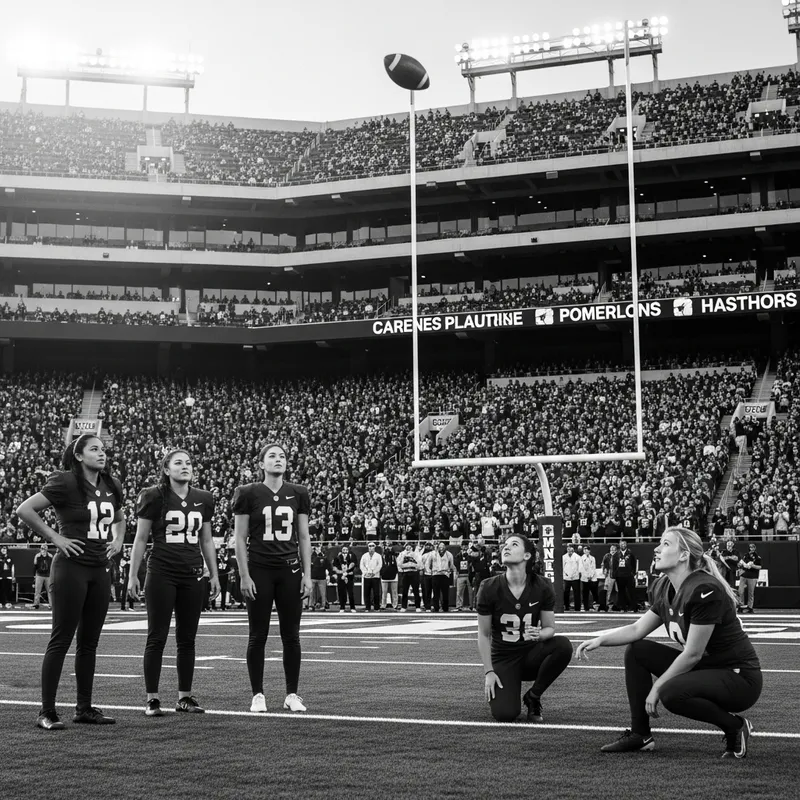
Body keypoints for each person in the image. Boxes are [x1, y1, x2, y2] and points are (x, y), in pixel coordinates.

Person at [576, 527, 762, 758]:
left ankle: (735, 726)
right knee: (637, 651)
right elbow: (637, 630)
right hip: (705, 667)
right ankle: (640, 734)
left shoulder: (704, 588)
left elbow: (693, 653)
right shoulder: (664, 585)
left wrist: (657, 686)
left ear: (684, 555)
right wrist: (600, 640)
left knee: (670, 692)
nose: (656, 548)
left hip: (737, 677)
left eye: (665, 544)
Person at [16, 434, 125, 730]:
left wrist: (118, 539)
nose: (102, 453)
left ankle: (84, 708)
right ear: (79, 456)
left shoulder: (112, 484)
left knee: (89, 642)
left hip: (99, 569)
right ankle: (47, 711)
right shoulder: (65, 481)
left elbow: (119, 517)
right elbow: (25, 510)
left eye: (103, 449)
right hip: (71, 567)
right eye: (94, 449)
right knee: (61, 638)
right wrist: (55, 537)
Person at [128, 449, 221, 717]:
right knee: (156, 637)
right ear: (166, 469)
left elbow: (206, 540)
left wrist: (213, 574)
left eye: (189, 462)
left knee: (187, 639)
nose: (185, 466)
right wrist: (134, 574)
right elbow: (141, 538)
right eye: (178, 462)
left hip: (192, 574)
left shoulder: (203, 498)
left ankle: (184, 697)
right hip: (162, 573)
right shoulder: (154, 495)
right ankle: (152, 699)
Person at [233, 443, 312, 714]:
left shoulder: (298, 492)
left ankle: (292, 694)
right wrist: (244, 575)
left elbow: (303, 536)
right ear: (261, 463)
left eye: (282, 456)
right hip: (259, 570)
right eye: (272, 456)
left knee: (292, 635)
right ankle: (258, 694)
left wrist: (307, 574)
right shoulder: (247, 492)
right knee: (258, 635)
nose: (278, 460)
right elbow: (240, 538)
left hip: (289, 570)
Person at [477, 534, 572, 723]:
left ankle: (533, 696)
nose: (506, 547)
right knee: (505, 715)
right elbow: (483, 633)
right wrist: (489, 672)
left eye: (513, 544)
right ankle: (509, 686)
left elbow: (549, 629)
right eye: (504, 545)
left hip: (531, 655)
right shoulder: (488, 587)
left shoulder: (542, 585)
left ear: (527, 556)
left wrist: (539, 634)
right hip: (503, 658)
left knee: (563, 646)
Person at [613, 540, 638, 612]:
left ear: (626, 544)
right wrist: (615, 574)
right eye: (621, 544)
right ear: (619, 545)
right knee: (621, 592)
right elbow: (614, 565)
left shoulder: (630, 554)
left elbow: (634, 564)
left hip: (629, 575)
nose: (622, 545)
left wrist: (633, 573)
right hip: (619, 576)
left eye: (624, 544)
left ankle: (634, 607)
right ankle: (623, 607)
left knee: (631, 591)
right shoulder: (616, 554)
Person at [430, 541, 455, 613]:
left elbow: (451, 564)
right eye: (440, 546)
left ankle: (445, 608)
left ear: (445, 547)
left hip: (445, 574)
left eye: (443, 546)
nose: (441, 548)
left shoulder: (449, 554)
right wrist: (430, 571)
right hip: (435, 574)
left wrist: (448, 571)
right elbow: (429, 563)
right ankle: (436, 608)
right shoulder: (433, 554)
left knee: (445, 593)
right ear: (438, 547)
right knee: (435, 593)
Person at [397, 542, 422, 612]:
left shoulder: (416, 554)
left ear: (412, 548)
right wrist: (404, 556)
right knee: (405, 590)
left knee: (416, 590)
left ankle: (418, 606)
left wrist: (412, 560)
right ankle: (404, 606)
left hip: (414, 572)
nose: (408, 548)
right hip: (405, 572)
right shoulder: (402, 554)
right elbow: (399, 563)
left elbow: (419, 564)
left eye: (409, 547)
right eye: (407, 547)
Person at [332, 544, 357, 612]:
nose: (345, 551)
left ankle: (352, 607)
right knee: (341, 593)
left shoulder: (352, 556)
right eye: (343, 550)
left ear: (348, 550)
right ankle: (342, 607)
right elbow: (334, 567)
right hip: (341, 577)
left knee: (351, 593)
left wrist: (347, 571)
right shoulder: (338, 557)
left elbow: (354, 564)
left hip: (349, 576)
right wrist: (340, 572)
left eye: (346, 550)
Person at [738, 543, 761, 614]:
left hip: (752, 576)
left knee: (751, 593)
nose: (752, 549)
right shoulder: (745, 555)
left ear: (755, 548)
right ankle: (741, 606)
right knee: (740, 591)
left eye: (753, 547)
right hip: (744, 575)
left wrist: (753, 566)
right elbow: (740, 563)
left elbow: (759, 567)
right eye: (751, 547)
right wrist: (741, 565)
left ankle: (750, 607)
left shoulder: (757, 557)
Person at [360, 542, 383, 611]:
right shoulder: (364, 555)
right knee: (367, 593)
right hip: (366, 576)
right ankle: (367, 607)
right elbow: (361, 565)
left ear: (374, 547)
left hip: (375, 576)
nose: (371, 547)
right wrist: (365, 572)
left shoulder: (378, 556)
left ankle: (376, 607)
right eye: (369, 546)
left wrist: (373, 572)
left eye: (372, 546)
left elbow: (380, 565)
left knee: (376, 593)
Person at [454, 540, 474, 611]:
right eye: (463, 546)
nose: (465, 547)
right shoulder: (458, 555)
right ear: (461, 546)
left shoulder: (471, 554)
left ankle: (472, 606)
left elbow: (473, 562)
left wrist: (469, 555)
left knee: (471, 592)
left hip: (469, 575)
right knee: (459, 592)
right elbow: (455, 562)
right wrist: (462, 555)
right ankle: (459, 606)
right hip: (460, 575)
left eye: (466, 545)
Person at [309, 543, 330, 610]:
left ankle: (323, 605)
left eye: (319, 547)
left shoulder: (324, 556)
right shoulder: (311, 556)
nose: (318, 549)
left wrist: (329, 574)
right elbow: (310, 565)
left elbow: (327, 565)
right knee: (311, 592)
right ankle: (311, 605)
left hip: (322, 577)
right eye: (317, 547)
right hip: (313, 576)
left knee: (323, 593)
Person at [380, 538, 399, 610]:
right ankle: (383, 605)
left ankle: (395, 604)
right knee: (384, 591)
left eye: (390, 545)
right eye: (387, 545)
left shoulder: (395, 555)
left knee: (394, 591)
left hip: (394, 574)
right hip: (384, 574)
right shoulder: (382, 555)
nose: (388, 547)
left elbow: (398, 564)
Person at [32, 544, 53, 609]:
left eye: (45, 549)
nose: (43, 551)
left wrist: (52, 575)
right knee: (37, 590)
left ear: (47, 550)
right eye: (42, 549)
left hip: (48, 575)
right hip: (39, 575)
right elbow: (35, 566)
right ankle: (36, 604)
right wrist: (34, 576)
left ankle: (51, 604)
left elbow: (52, 567)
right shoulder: (37, 556)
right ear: (40, 549)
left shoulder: (50, 556)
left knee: (50, 591)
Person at [579, 545, 598, 612]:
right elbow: (581, 568)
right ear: (583, 551)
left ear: (589, 551)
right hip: (584, 578)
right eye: (585, 550)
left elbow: (593, 567)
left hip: (592, 578)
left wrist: (591, 575)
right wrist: (587, 576)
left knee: (594, 592)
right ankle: (586, 607)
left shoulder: (592, 558)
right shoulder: (581, 558)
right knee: (585, 593)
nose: (586, 551)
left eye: (587, 550)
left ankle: (594, 606)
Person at [562, 544, 581, 611]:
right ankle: (566, 606)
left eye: (571, 549)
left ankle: (577, 608)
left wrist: (575, 574)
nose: (569, 550)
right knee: (566, 593)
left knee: (576, 593)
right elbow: (562, 567)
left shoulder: (577, 557)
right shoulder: (564, 557)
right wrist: (566, 574)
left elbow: (579, 567)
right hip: (566, 578)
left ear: (573, 549)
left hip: (575, 578)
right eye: (568, 549)